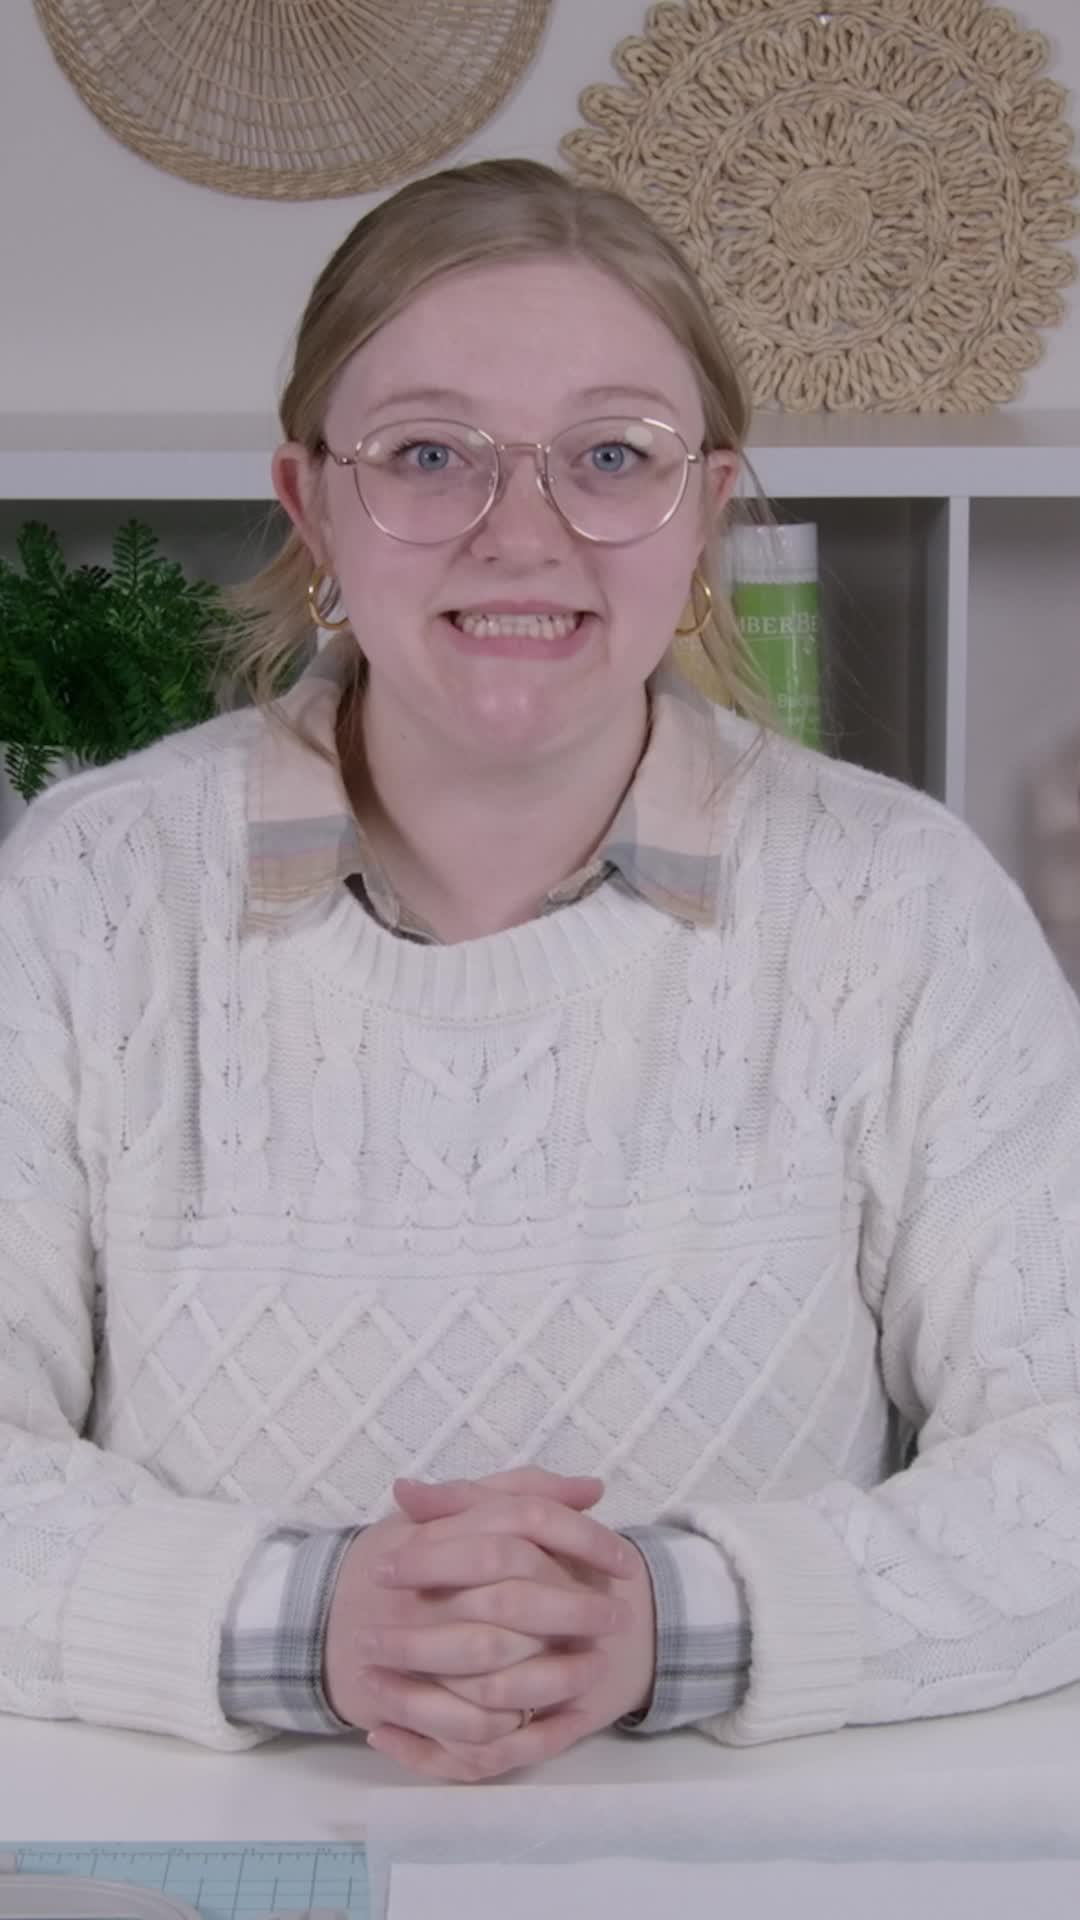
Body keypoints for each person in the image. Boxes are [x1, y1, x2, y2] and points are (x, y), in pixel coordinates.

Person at [2, 159, 1080, 1788]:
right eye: (427, 455)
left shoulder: (901, 902)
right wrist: (306, 1623)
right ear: (312, 509)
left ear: (709, 506)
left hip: (785, 1877)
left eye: (610, 458)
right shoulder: (90, 893)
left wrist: (673, 1614)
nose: (525, 534)